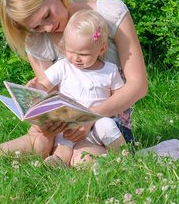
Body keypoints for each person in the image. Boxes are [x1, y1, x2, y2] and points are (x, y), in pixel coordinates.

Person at [0, 0, 147, 181]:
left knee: (85, 156)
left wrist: (90, 117)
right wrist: (42, 120)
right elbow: (51, 96)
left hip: (106, 118)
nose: (47, 27)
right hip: (67, 125)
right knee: (39, 141)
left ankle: (94, 162)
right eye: (36, 26)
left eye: (46, 15)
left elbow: (138, 85)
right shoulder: (37, 40)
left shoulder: (108, 12)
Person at [30, 9, 127, 166]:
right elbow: (44, 86)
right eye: (70, 51)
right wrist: (36, 86)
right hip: (71, 124)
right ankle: (58, 161)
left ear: (101, 49)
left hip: (97, 124)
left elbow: (120, 97)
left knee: (107, 125)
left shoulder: (109, 70)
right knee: (62, 138)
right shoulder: (63, 66)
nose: (75, 58)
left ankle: (123, 155)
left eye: (83, 54)